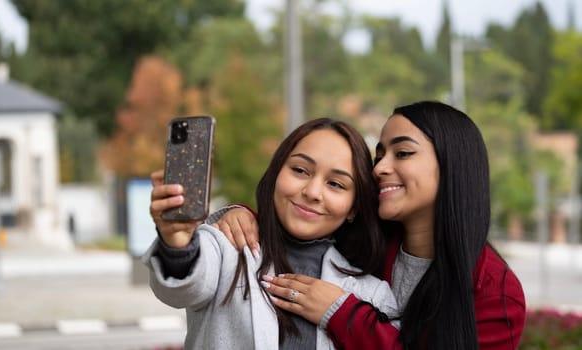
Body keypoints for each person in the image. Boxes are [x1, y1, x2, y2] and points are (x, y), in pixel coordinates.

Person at [215, 101, 526, 349]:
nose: (380, 168)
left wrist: (341, 313)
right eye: (380, 155)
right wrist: (239, 214)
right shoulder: (365, 238)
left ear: (451, 167)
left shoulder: (495, 293)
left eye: (402, 153)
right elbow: (298, 219)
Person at [142, 118, 400, 349]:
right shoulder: (227, 243)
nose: (312, 192)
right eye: (300, 170)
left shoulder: (371, 295)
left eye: (335, 184)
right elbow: (181, 288)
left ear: (354, 208)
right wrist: (177, 243)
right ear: (276, 173)